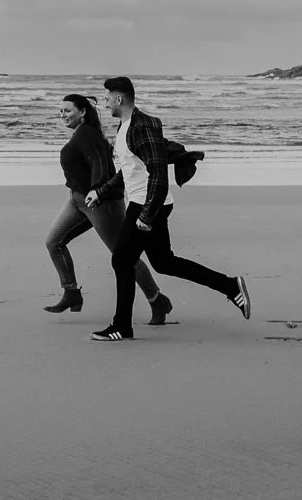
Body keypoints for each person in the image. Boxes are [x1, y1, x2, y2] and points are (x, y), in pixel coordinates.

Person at [85, 76, 250, 341]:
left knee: (121, 259)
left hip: (147, 205)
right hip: (149, 203)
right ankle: (230, 286)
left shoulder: (142, 125)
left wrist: (147, 216)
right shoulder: (125, 126)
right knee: (164, 262)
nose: (105, 104)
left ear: (119, 98)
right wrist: (102, 192)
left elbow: (158, 174)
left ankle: (121, 326)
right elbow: (130, 170)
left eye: (106, 99)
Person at [44, 94, 174, 324]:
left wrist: (96, 191)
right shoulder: (82, 134)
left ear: (82, 112)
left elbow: (100, 164)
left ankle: (157, 300)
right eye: (60, 111)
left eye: (67, 110)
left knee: (124, 255)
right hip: (77, 200)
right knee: (54, 241)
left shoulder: (88, 136)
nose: (62, 115)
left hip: (100, 204)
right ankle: (71, 292)